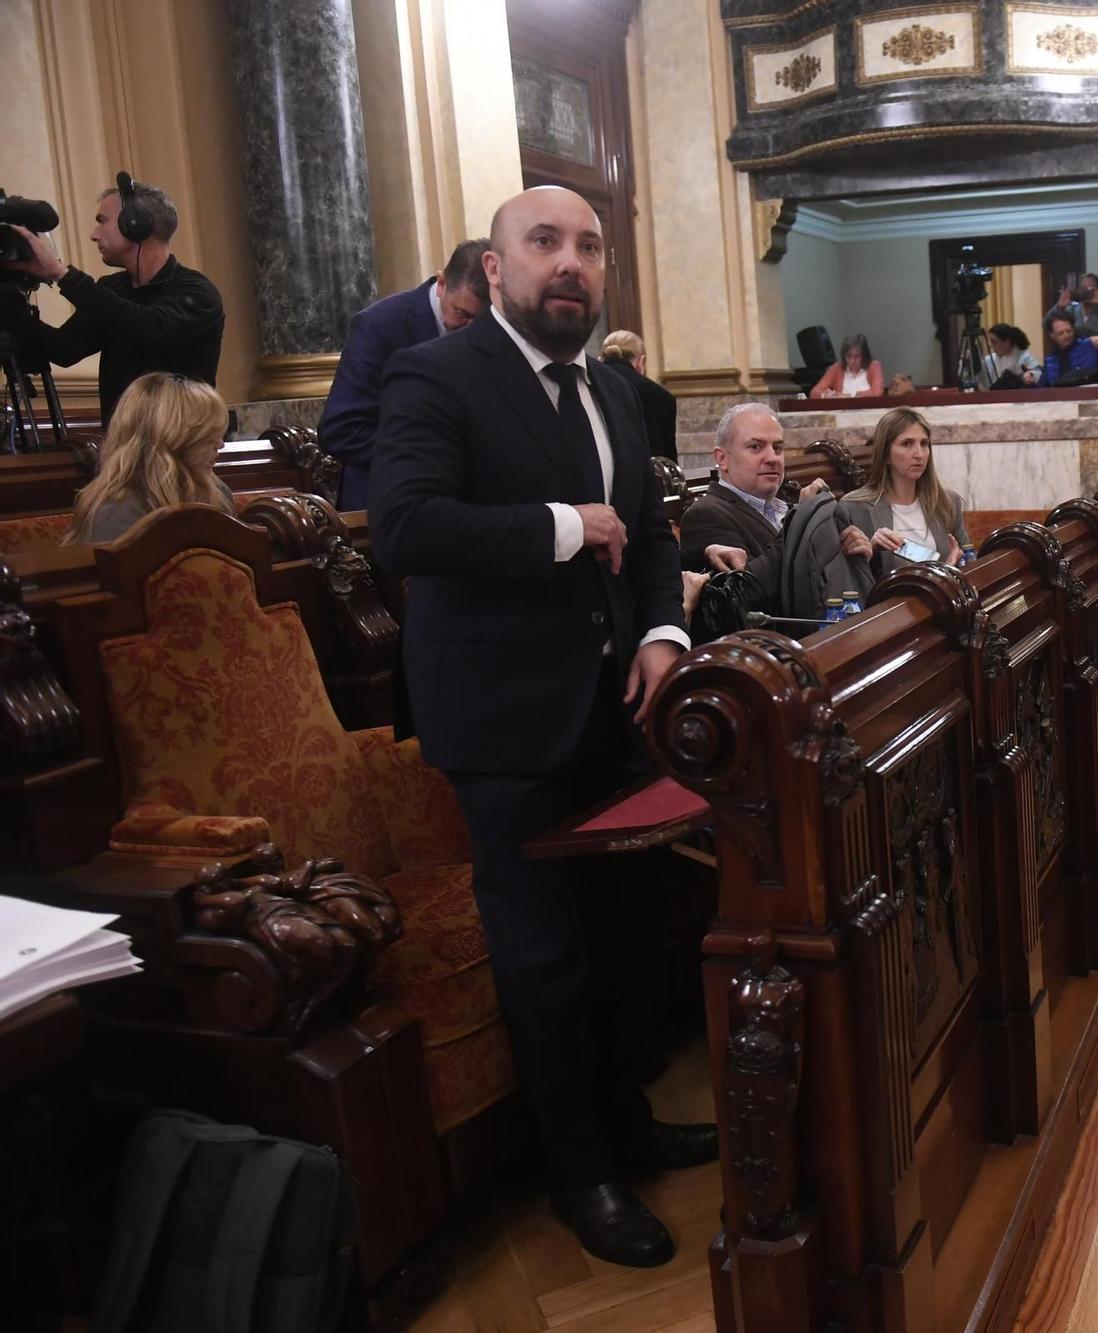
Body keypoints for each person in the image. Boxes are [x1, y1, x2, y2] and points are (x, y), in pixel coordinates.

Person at [370, 185, 715, 1270]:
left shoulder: (613, 387)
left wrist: (663, 632)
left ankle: (625, 1124)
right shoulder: (435, 374)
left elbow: (653, 532)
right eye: (545, 244)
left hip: (615, 706)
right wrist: (569, 526)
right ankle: (579, 1174)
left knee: (625, 935)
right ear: (493, 268)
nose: (570, 262)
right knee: (544, 955)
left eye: (588, 247)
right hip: (500, 717)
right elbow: (407, 527)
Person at [1, 177, 224, 423]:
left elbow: (150, 327)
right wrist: (10, 304)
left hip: (182, 443)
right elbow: (65, 349)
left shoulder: (197, 291)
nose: (93, 235)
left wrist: (62, 274)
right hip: (123, 445)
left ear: (135, 224)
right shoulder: (113, 289)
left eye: (102, 221)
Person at [318, 237, 490, 509]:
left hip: (470, 508)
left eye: (481, 320)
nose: (471, 329)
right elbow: (341, 430)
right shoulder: (379, 326)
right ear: (442, 283)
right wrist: (435, 458)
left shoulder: (494, 332)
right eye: (462, 314)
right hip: (385, 505)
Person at [65, 372, 233, 544]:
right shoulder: (116, 511)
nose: (220, 444)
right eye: (210, 436)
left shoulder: (217, 492)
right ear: (174, 438)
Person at [844, 407, 971, 569]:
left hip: (942, 593)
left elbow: (969, 561)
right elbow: (846, 578)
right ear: (886, 455)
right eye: (907, 444)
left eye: (924, 444)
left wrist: (954, 567)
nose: (919, 454)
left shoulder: (947, 502)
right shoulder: (854, 508)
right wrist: (873, 551)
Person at [598, 330, 678, 458]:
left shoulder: (586, 383)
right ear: (641, 361)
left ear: (602, 357)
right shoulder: (659, 395)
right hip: (644, 475)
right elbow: (668, 460)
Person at [1040, 313, 1098, 387]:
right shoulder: (1050, 360)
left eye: (1069, 331)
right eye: (1061, 333)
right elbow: (1042, 388)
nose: (1066, 335)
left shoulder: (1087, 347)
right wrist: (1030, 381)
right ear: (1052, 335)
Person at [1045, 273, 1098, 340]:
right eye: (1083, 288)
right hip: (1075, 355)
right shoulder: (1072, 309)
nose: (1086, 292)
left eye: (1090, 289)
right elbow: (1046, 324)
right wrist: (1059, 306)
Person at [808, 334, 884, 398]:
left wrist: (851, 396)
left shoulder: (874, 366)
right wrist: (825, 395)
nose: (852, 361)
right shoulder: (836, 368)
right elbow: (814, 392)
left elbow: (877, 392)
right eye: (848, 356)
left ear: (864, 355)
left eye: (856, 356)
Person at [986, 323, 1041, 387]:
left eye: (994, 342)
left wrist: (1030, 375)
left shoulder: (1024, 357)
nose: (991, 346)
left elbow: (1038, 373)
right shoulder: (990, 359)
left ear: (1007, 342)